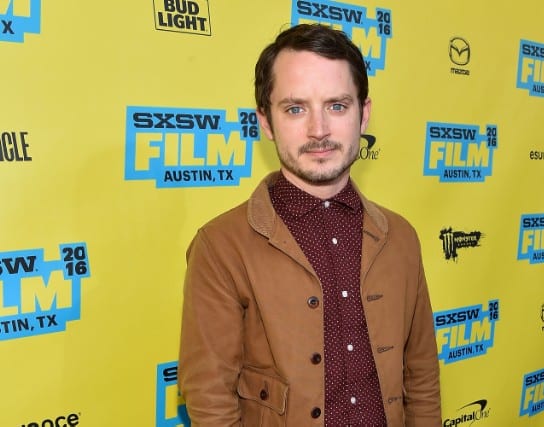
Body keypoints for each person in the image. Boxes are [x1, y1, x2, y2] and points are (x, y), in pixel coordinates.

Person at [178, 23, 441, 426]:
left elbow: (421, 378)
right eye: (295, 109)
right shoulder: (221, 246)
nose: (319, 130)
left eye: (337, 106)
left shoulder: (401, 237)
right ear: (266, 122)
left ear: (363, 114)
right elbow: (209, 398)